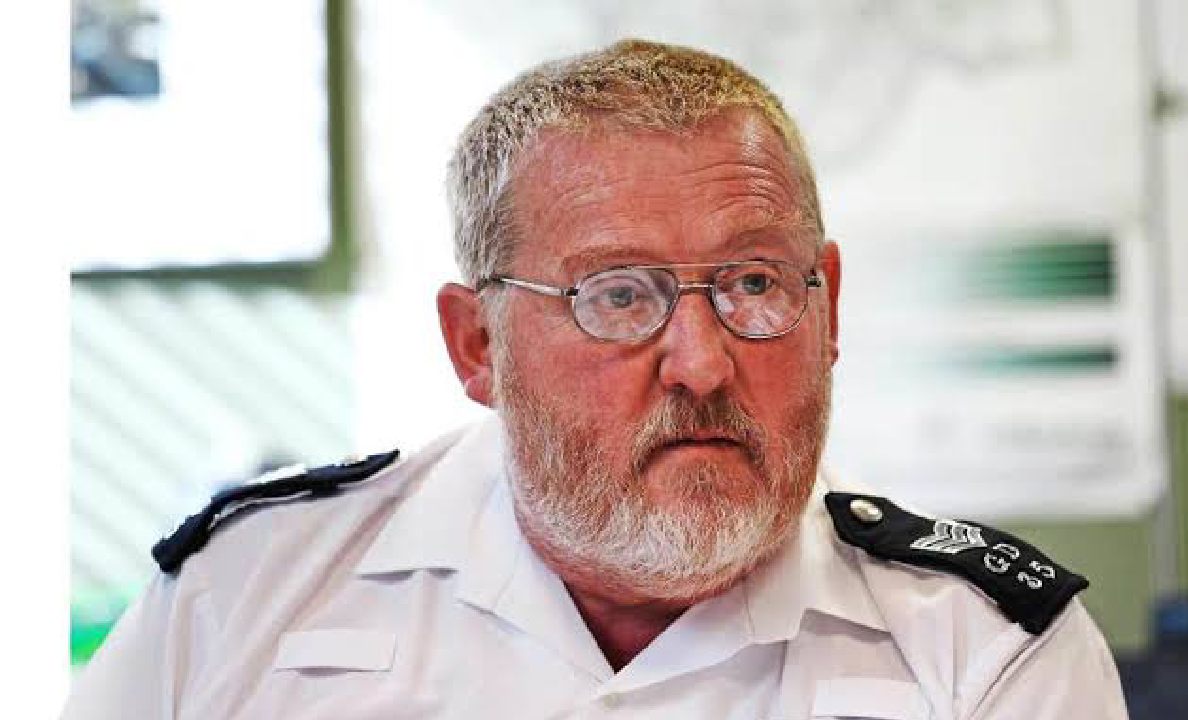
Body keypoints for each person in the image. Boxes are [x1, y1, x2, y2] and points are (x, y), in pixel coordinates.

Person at [64, 39, 1128, 719]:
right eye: (618, 296)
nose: (702, 362)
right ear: (476, 345)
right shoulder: (242, 599)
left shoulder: (982, 657)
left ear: (829, 307)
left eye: (755, 283)